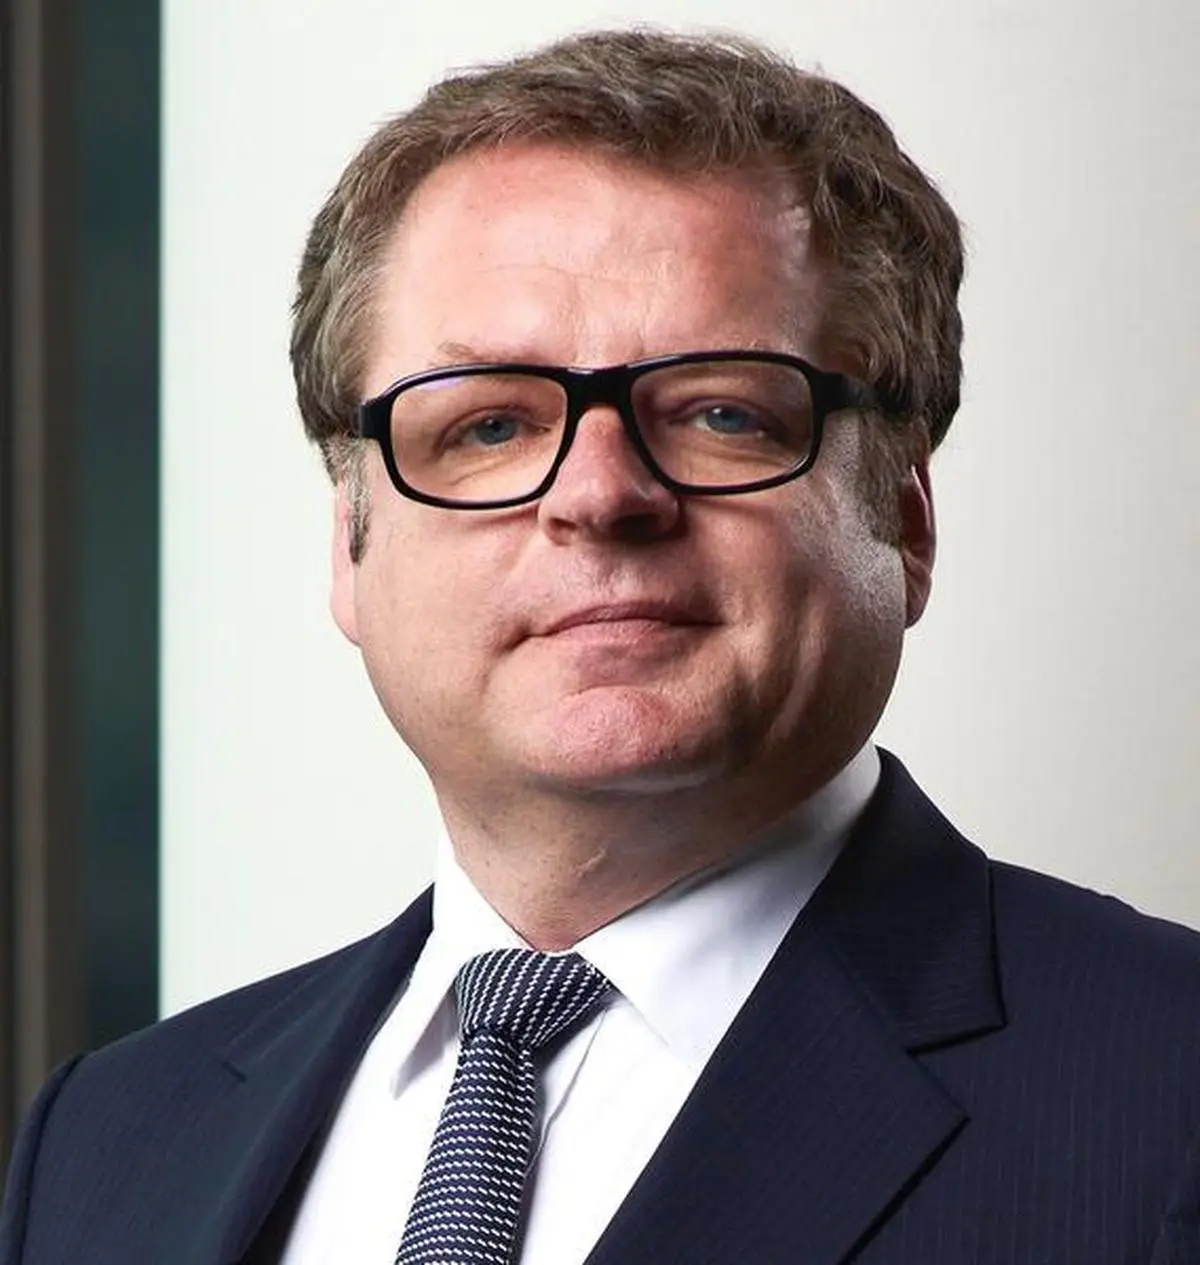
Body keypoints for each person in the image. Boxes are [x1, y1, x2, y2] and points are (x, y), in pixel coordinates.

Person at [3, 27, 1199, 1265]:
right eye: (489, 427)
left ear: (904, 519)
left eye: (722, 411)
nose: (598, 494)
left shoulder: (1165, 1099)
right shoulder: (107, 1137)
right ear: (349, 544)